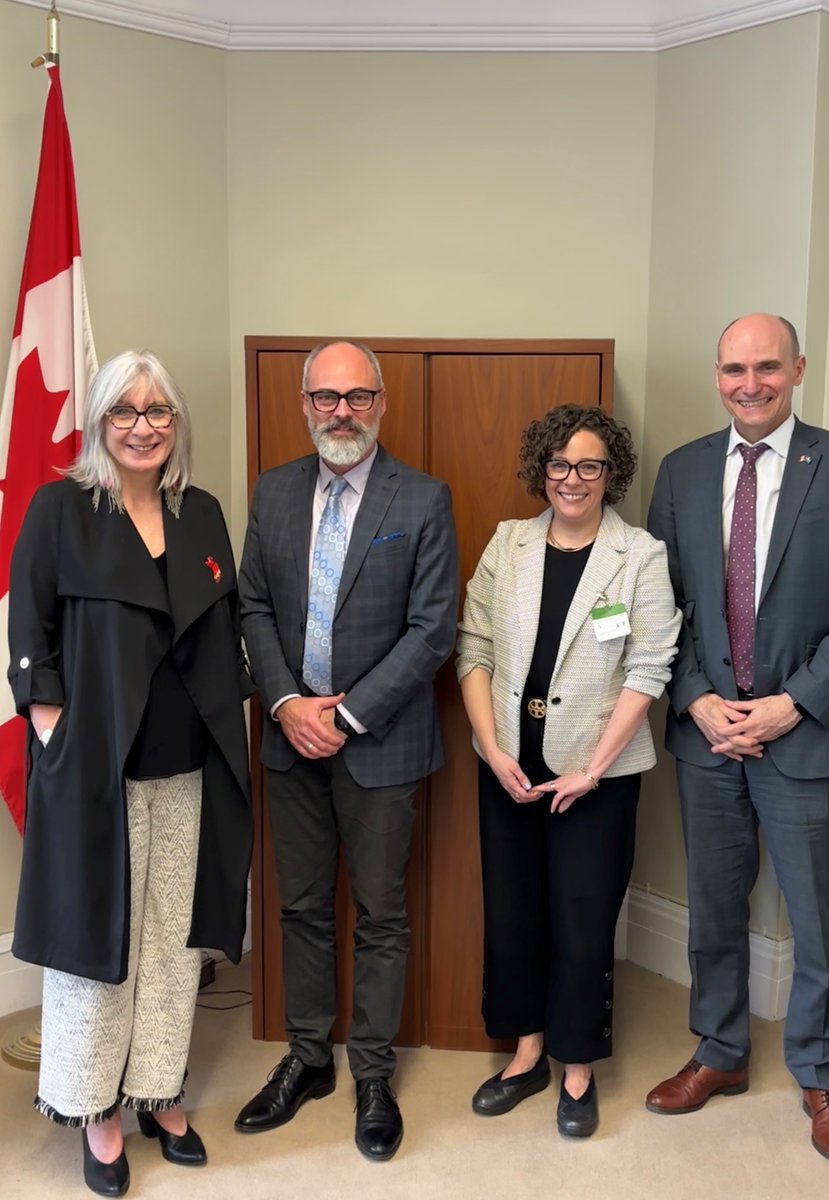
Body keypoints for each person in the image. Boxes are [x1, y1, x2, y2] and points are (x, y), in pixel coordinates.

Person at [645, 313, 829, 1164]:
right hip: (708, 736)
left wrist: (794, 702)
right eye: (731, 369)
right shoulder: (680, 473)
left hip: (806, 734)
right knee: (714, 909)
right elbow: (658, 608)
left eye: (764, 368)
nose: (747, 384)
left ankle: (823, 1075)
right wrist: (694, 699)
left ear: (794, 369)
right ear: (715, 375)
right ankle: (718, 1051)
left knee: (819, 919)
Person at [8, 350, 253, 1196]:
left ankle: (158, 1091)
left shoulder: (202, 512)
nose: (143, 427)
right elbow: (28, 631)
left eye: (158, 412)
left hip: (190, 766)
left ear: (175, 425)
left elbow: (224, 634)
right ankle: (96, 1112)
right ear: (101, 421)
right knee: (97, 945)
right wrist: (54, 731)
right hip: (96, 773)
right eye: (125, 411)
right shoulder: (60, 510)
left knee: (171, 946)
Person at [236, 339, 458, 1161]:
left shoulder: (423, 498)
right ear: (304, 405)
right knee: (298, 907)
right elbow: (253, 605)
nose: (340, 411)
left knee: (380, 914)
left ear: (381, 403)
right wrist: (289, 703)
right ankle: (306, 1057)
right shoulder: (274, 493)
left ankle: (370, 1070)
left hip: (382, 743)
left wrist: (348, 714)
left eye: (356, 397)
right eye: (325, 396)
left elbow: (433, 628)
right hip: (291, 742)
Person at [457, 404, 680, 1138]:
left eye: (589, 465)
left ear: (610, 472)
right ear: (540, 471)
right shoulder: (508, 543)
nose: (573, 479)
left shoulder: (638, 555)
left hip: (598, 779)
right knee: (513, 914)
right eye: (559, 465)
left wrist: (592, 767)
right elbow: (475, 648)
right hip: (510, 769)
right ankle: (526, 1052)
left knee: (583, 925)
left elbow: (649, 668)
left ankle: (577, 1067)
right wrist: (491, 749)